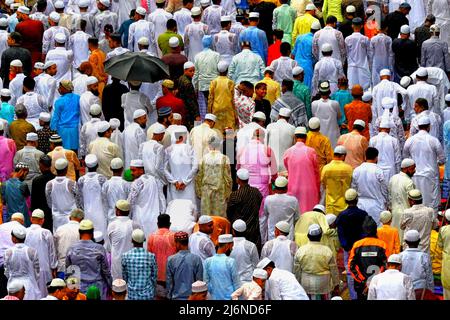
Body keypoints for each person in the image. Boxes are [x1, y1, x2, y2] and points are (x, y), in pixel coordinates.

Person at [403, 116, 445, 211]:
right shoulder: (434, 140)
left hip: (415, 174)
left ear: (418, 126)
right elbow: (442, 159)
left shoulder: (410, 140)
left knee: (415, 199)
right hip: (431, 175)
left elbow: (405, 158)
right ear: (429, 126)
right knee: (432, 203)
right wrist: (435, 162)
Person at [65, 219, 112, 299]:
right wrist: (110, 286)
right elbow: (106, 272)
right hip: (97, 289)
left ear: (79, 232)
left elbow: (69, 273)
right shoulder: (99, 249)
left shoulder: (71, 249)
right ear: (92, 232)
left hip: (79, 289)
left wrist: (72, 291)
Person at [335, 188, 368, 300]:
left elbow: (341, 234)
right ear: (357, 199)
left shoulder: (342, 215)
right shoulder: (363, 214)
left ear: (346, 200)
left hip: (348, 249)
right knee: (362, 270)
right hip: (361, 248)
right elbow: (366, 231)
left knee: (350, 272)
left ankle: (353, 297)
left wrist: (347, 248)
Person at [294, 224, 339, 300]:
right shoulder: (327, 250)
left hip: (306, 285)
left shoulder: (301, 250)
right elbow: (334, 270)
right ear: (321, 236)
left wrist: (297, 284)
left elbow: (297, 271)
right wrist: (336, 284)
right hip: (323, 285)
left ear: (308, 236)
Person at [348, 216, 387, 300]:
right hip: (378, 284)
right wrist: (373, 281)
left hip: (361, 285)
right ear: (375, 230)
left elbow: (351, 266)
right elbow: (385, 265)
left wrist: (363, 281)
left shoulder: (357, 245)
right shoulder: (382, 245)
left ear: (364, 230)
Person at [283, 127, 320, 213]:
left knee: (295, 214)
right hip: (309, 188)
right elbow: (316, 172)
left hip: (293, 187)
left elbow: (288, 168)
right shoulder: (311, 151)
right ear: (306, 138)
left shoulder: (288, 152)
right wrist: (317, 188)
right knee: (309, 214)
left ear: (295, 138)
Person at [195, 135, 232, 216]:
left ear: (209, 145)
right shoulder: (224, 158)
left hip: (206, 191)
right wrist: (228, 193)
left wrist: (199, 192)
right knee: (219, 217)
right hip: (220, 192)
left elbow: (199, 176)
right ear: (219, 145)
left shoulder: (203, 158)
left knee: (207, 216)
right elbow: (227, 178)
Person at [227, 169, 263, 250]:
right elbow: (259, 202)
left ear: (238, 179)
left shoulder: (235, 195)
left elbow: (229, 212)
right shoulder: (256, 192)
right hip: (254, 230)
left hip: (239, 231)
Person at [351, 147, 388, 225]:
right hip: (377, 205)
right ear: (376, 157)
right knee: (376, 229)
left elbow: (353, 188)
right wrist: (386, 202)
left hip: (360, 205)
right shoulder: (379, 171)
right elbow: (384, 189)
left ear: (365, 157)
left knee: (362, 228)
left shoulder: (357, 170)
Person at [24, 209, 57, 298]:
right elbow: (52, 252)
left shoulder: (25, 232)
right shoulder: (45, 232)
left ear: (31, 219)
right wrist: (54, 267)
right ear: (42, 220)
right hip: (44, 269)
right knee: (44, 295)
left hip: (29, 269)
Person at [128, 159, 163, 238]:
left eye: (133, 170)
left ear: (141, 170)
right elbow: (161, 198)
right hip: (154, 218)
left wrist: (128, 216)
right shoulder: (155, 180)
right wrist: (161, 212)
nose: (131, 173)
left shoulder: (137, 182)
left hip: (140, 218)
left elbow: (130, 201)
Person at [4, 226, 41, 300]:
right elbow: (37, 271)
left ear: (14, 239)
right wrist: (33, 280)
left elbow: (6, 271)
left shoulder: (8, 252)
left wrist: (12, 278)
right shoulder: (32, 251)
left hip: (13, 285)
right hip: (29, 285)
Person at [45, 158, 81, 232]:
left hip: (57, 217)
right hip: (72, 217)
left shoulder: (49, 184)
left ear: (55, 168)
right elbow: (78, 200)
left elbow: (49, 203)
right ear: (66, 169)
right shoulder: (72, 183)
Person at [166, 231, 203, 300]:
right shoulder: (196, 259)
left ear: (178, 244)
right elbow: (199, 281)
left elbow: (169, 282)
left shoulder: (171, 259)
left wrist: (169, 296)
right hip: (192, 297)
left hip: (176, 297)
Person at [122, 229, 157, 300]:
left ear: (132, 240)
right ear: (144, 240)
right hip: (148, 295)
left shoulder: (125, 256)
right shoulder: (151, 256)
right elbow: (154, 277)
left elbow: (125, 277)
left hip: (132, 295)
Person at [147, 214, 176, 299]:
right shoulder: (174, 237)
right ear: (169, 224)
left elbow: (149, 257)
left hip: (157, 276)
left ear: (157, 224)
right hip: (171, 274)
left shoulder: (151, 237)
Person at [203, 234, 240, 300]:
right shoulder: (230, 261)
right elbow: (236, 283)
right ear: (228, 246)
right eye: (232, 247)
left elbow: (206, 282)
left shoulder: (208, 261)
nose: (232, 249)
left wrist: (214, 291)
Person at [401, 229, 435, 299]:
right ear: (419, 241)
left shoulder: (400, 256)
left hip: (404, 289)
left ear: (406, 242)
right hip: (421, 291)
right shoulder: (424, 256)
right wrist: (431, 291)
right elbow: (429, 277)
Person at [321, 146, 353, 214]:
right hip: (345, 204)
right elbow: (351, 184)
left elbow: (323, 184)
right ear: (343, 156)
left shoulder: (326, 168)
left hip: (330, 204)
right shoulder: (349, 168)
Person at [50, 80, 80, 152]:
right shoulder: (78, 98)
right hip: (75, 129)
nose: (58, 89)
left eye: (60, 87)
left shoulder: (59, 101)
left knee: (64, 152)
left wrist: (52, 129)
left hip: (62, 131)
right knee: (74, 151)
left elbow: (55, 118)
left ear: (66, 88)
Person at [54, 208, 84, 277]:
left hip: (62, 267)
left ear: (69, 217)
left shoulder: (60, 229)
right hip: (77, 268)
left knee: (63, 287)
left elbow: (54, 250)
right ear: (82, 219)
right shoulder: (82, 231)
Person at [345, 18, 370, 90]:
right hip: (363, 67)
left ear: (352, 26)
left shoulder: (347, 39)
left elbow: (346, 53)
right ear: (361, 26)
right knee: (364, 89)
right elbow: (369, 54)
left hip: (351, 67)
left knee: (352, 88)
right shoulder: (365, 39)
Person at [178, 62, 200, 130]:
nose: (193, 73)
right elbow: (191, 101)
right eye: (190, 71)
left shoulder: (181, 78)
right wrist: (197, 115)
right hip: (190, 112)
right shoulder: (187, 83)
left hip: (184, 109)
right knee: (194, 129)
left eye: (193, 71)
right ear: (185, 70)